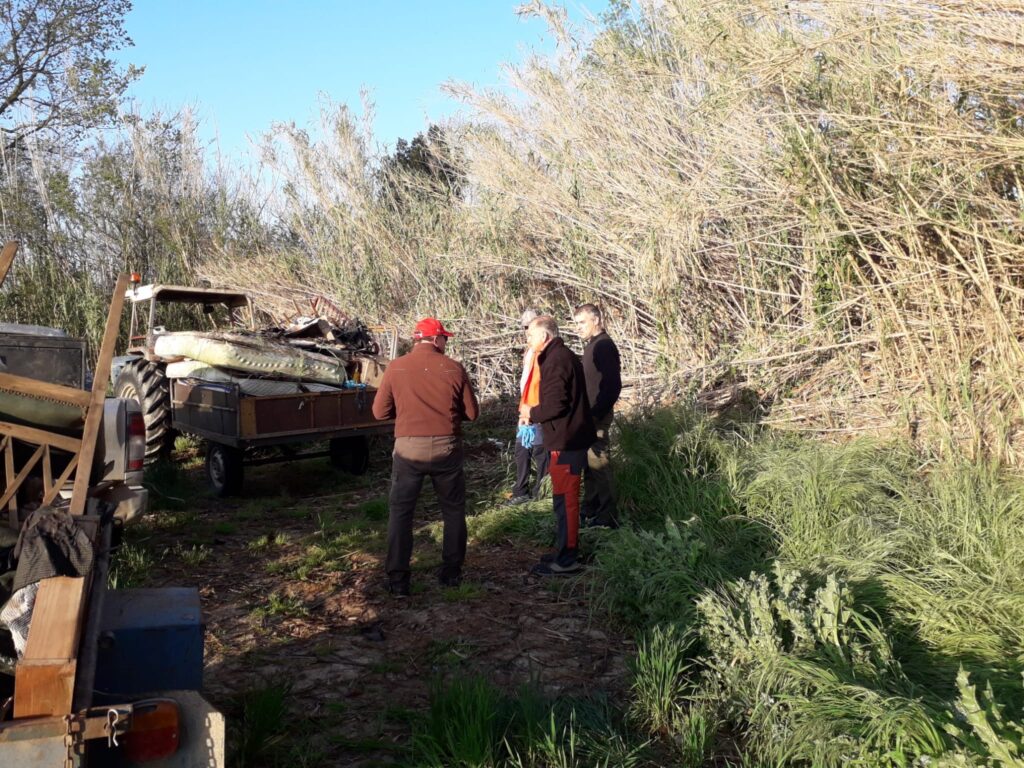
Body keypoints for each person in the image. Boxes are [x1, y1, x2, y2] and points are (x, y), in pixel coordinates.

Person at [372, 317, 479, 596]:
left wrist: (406, 413)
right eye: (444, 338)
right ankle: (451, 574)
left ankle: (398, 580)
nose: (446, 343)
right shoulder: (453, 368)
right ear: (435, 339)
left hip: (409, 449)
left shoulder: (396, 367)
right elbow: (472, 413)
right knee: (453, 510)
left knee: (401, 512)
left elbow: (379, 412)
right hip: (446, 447)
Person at [519, 316, 595, 576]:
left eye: (530, 336)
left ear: (545, 336)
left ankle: (567, 560)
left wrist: (531, 412)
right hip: (566, 439)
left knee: (566, 501)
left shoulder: (556, 360)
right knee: (562, 500)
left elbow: (555, 405)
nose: (528, 340)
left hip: (567, 441)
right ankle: (563, 551)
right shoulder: (558, 356)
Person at [573, 303, 622, 528]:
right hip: (588, 415)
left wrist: (596, 414)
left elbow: (612, 386)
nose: (578, 328)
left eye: (582, 322)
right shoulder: (592, 345)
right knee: (590, 464)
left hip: (596, 416)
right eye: (576, 324)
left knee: (600, 463)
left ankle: (608, 517)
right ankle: (590, 510)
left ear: (596, 320)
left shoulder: (603, 345)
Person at [507, 308, 549, 504]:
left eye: (530, 328)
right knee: (522, 449)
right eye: (525, 328)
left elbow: (539, 384)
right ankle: (521, 491)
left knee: (540, 452)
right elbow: (527, 382)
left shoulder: (545, 354)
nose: (526, 332)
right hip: (526, 408)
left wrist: (533, 410)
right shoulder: (530, 351)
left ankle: (541, 492)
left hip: (537, 409)